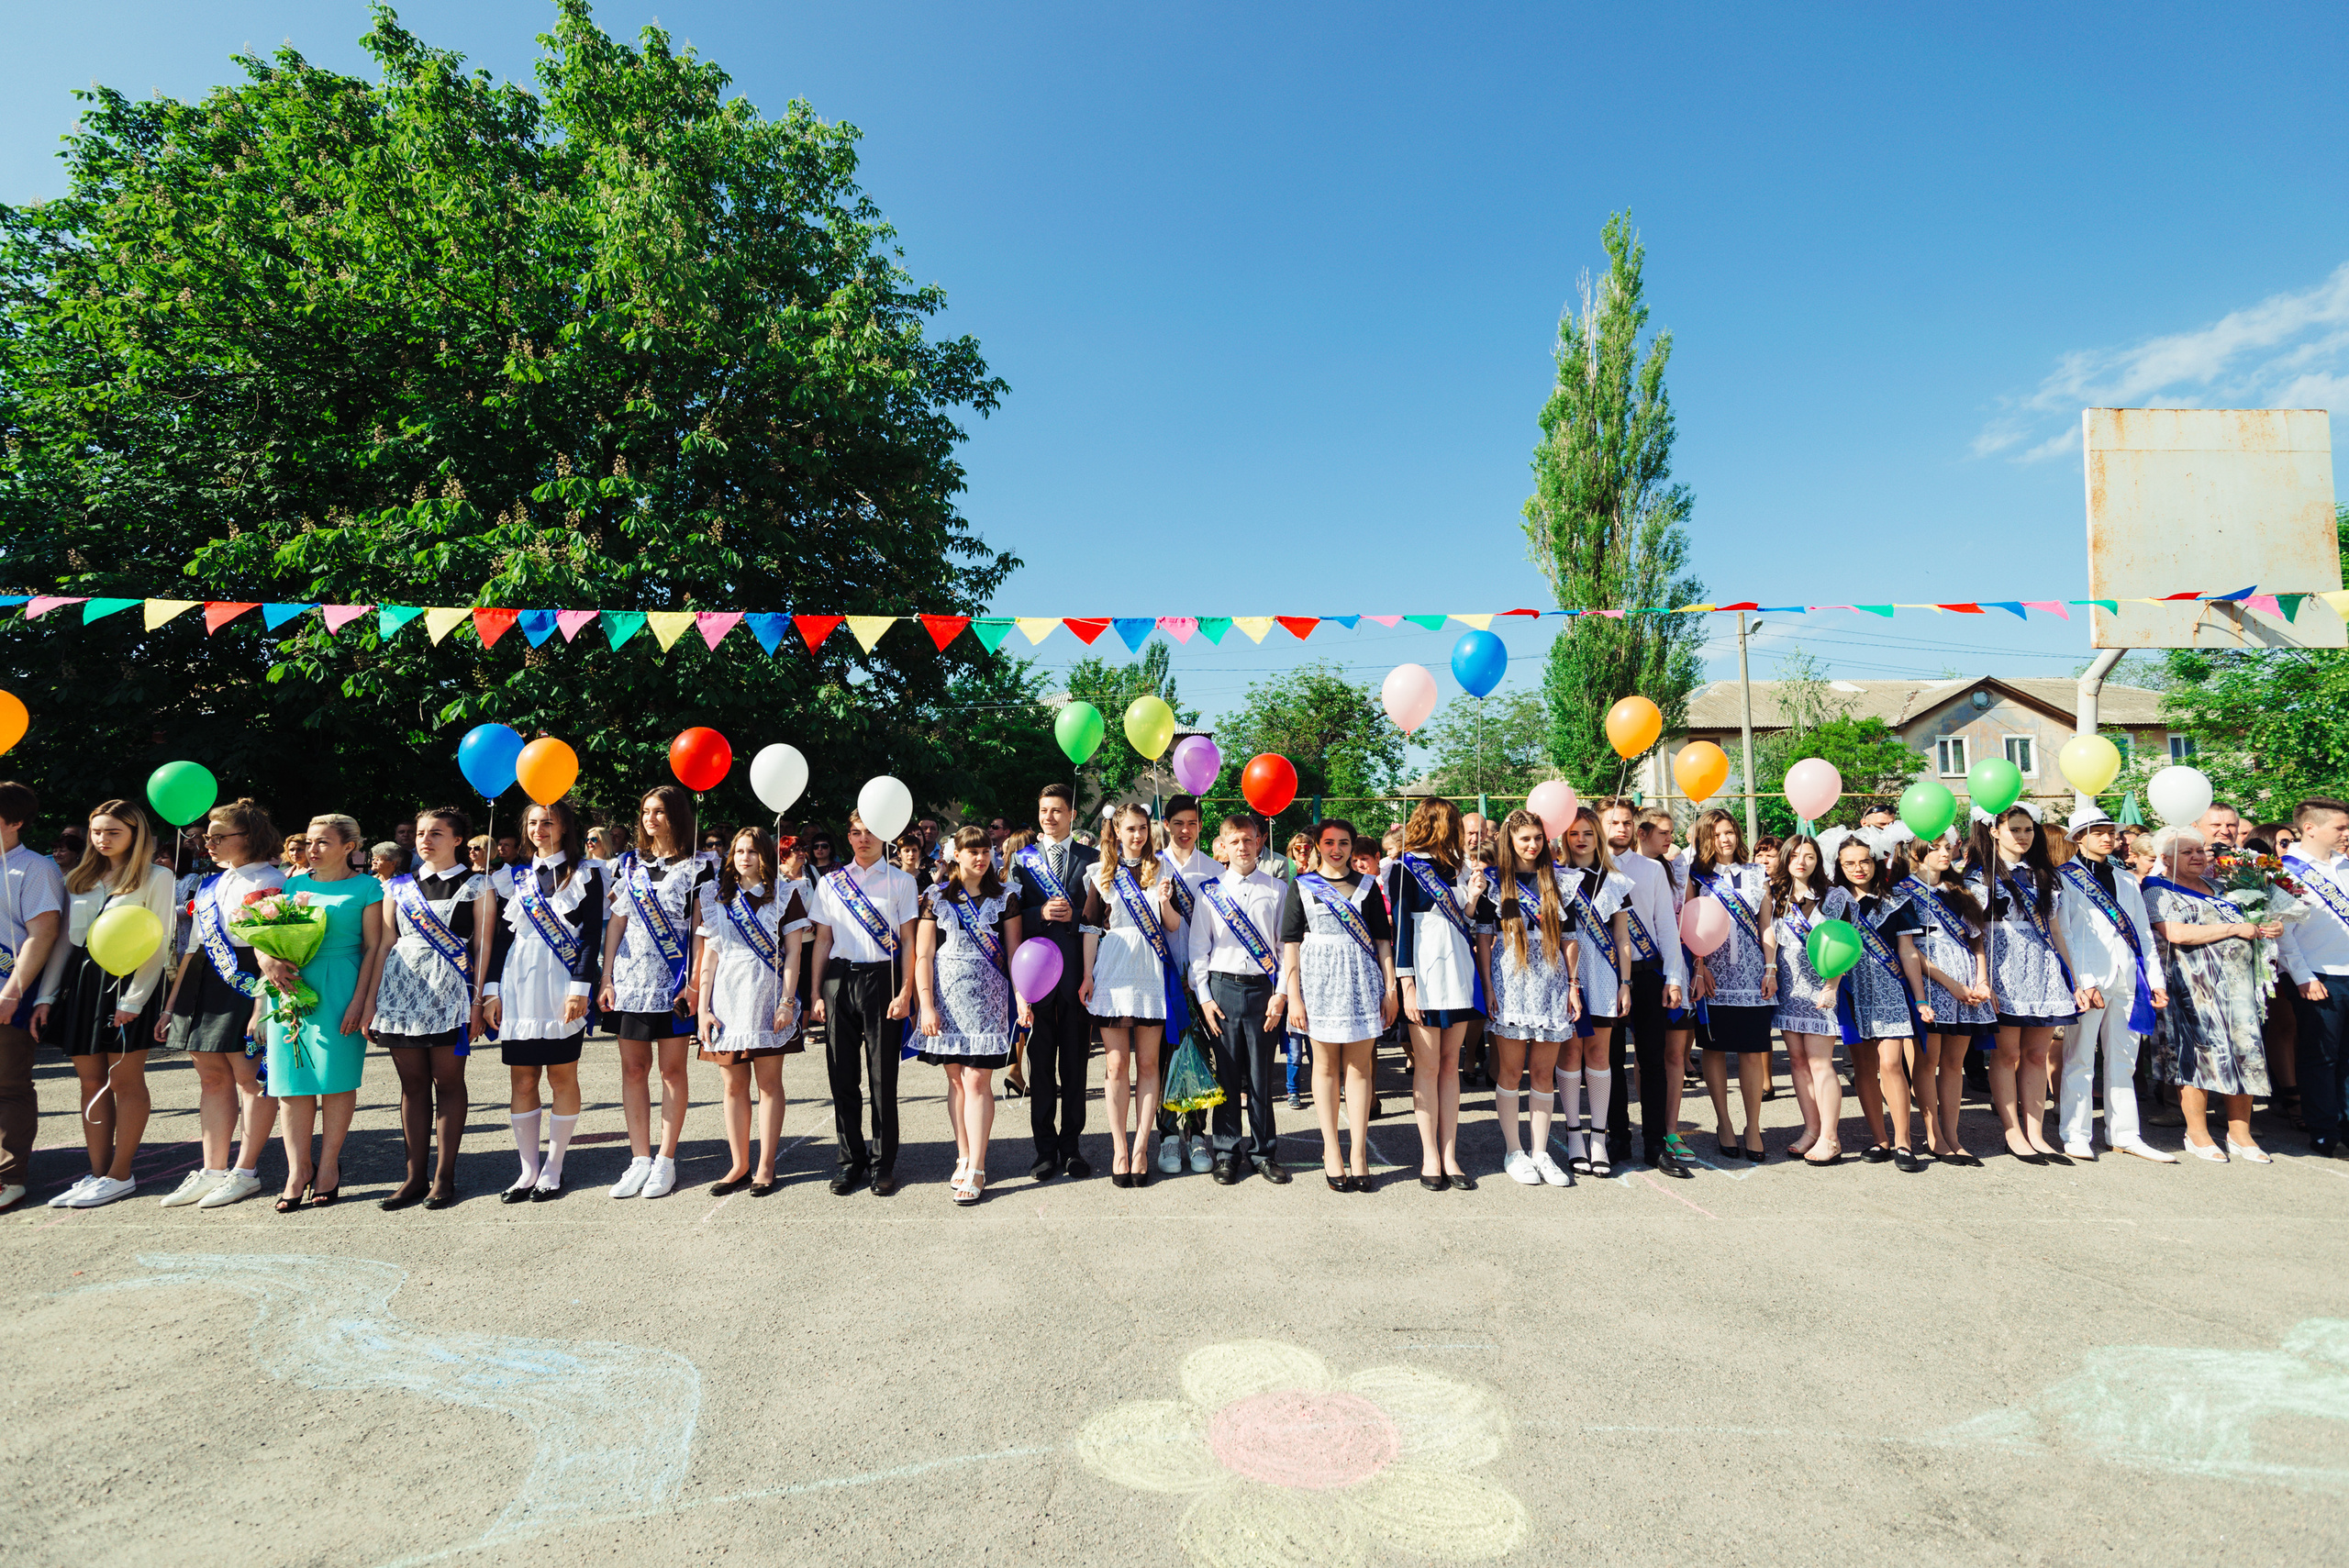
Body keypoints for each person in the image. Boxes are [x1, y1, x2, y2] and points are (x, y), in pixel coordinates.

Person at [33, 801, 176, 1207]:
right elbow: (64, 942)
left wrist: (134, 1000)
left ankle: (120, 1173)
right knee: (90, 1082)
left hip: (130, 983)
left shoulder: (157, 876)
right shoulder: (78, 877)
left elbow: (159, 941)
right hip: (83, 985)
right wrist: (47, 995)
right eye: (97, 832)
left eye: (113, 832)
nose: (102, 839)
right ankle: (97, 1173)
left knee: (125, 1081)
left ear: (135, 834)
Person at [154, 797, 282, 1209]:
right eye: (206, 836)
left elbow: (276, 947)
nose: (208, 843)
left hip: (247, 979)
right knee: (210, 1076)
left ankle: (245, 1171)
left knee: (249, 1078)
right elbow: (192, 946)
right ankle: (212, 1170)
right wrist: (172, 1004)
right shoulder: (210, 882)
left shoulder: (272, 880)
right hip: (203, 979)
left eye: (218, 836)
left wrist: (263, 1004)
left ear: (250, 836)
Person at [369, 806, 493, 1210]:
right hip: (401, 992)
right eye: (421, 832)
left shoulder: (478, 884)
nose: (425, 839)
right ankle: (413, 1177)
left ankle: (445, 1176)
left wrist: (478, 1001)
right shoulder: (398, 886)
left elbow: (482, 946)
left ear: (458, 840)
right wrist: (372, 1002)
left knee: (448, 1082)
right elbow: (385, 945)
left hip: (451, 994)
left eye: (437, 833)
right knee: (413, 1086)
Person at [483, 799, 607, 1203]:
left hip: (561, 984)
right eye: (533, 822)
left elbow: (590, 937)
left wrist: (580, 989)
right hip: (518, 982)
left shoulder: (587, 873)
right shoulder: (513, 879)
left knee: (561, 1076)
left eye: (548, 822)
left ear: (566, 827)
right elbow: (501, 939)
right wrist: (491, 991)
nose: (539, 829)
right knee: (522, 1078)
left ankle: (553, 1166)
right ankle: (527, 1169)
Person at [270, 815, 390, 1211]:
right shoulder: (291, 885)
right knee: (292, 1082)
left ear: (348, 847)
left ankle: (327, 1168)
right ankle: (296, 1170)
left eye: (322, 842)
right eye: (309, 841)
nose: (312, 849)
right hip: (292, 987)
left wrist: (361, 1001)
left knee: (336, 1080)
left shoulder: (367, 887)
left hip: (342, 983)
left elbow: (374, 947)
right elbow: (268, 938)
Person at [598, 786, 711, 1201]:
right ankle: (639, 1159)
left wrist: (694, 983)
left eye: (659, 812)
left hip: (673, 980)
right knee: (632, 1068)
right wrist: (606, 975)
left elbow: (701, 931)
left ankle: (666, 1160)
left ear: (677, 816)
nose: (651, 819)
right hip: (629, 979)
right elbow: (616, 922)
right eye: (645, 811)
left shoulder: (700, 868)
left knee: (671, 1070)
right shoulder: (627, 865)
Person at [2144, 827, 2277, 1162]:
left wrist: (2267, 926)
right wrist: (2234, 928)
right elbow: (2175, 932)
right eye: (2188, 852)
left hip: (2239, 990)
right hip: (2192, 989)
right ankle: (2198, 1133)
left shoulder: (2224, 888)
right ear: (2165, 858)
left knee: (2245, 1053)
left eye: (2201, 850)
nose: (2198, 856)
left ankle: (2240, 1134)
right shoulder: (2156, 889)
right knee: (2196, 1056)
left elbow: (2252, 925)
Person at [1969, 804, 2093, 1163]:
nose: (2023, 836)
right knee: (2007, 1054)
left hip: (2043, 969)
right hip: (2003, 967)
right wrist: (1982, 978)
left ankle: (2036, 1133)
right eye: (2015, 829)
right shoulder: (1978, 876)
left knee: (2037, 1054)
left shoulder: (2044, 875)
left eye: (2028, 830)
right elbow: (1974, 933)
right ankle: (2012, 1132)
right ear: (1994, 831)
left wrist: (2072, 980)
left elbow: (2057, 930)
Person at [807, 810, 920, 1196]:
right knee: (842, 1078)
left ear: (884, 835)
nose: (862, 839)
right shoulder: (831, 883)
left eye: (870, 832)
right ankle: (849, 1161)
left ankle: (882, 1164)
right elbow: (822, 941)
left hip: (883, 979)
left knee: (882, 1078)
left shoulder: (902, 881)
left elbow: (908, 943)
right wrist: (816, 993)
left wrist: (906, 992)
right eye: (855, 832)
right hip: (840, 979)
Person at [2054, 805, 2175, 1163]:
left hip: (2128, 981)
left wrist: (2154, 980)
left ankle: (2125, 1134)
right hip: (2090, 982)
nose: (2107, 837)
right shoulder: (2064, 877)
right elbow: (2068, 935)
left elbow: (2142, 934)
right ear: (2078, 837)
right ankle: (2075, 1134)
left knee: (2125, 1060)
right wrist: (2083, 981)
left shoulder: (2125, 879)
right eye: (2097, 831)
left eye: (2110, 831)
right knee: (2079, 1058)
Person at [1284, 817, 1397, 1191]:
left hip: (1362, 981)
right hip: (1318, 984)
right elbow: (1291, 945)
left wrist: (1390, 989)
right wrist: (1294, 996)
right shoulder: (1301, 886)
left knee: (1360, 1068)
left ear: (1352, 846)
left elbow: (1383, 942)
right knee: (1326, 1067)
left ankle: (1359, 1151)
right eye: (1329, 842)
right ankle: (1331, 1148)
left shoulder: (1368, 886)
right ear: (1317, 845)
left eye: (1344, 843)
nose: (1336, 849)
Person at [697, 827, 810, 1196]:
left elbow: (793, 953)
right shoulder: (716, 897)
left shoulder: (785, 894)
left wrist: (788, 1000)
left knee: (768, 1083)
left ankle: (765, 1165)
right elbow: (709, 958)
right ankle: (739, 1164)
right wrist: (703, 1009)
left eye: (753, 851)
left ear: (767, 857)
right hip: (727, 997)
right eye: (739, 850)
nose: (745, 857)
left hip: (767, 995)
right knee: (732, 1085)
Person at [914, 826, 1022, 1204]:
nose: (980, 858)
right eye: (972, 851)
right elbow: (923, 955)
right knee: (957, 1082)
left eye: (986, 851)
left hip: (988, 1002)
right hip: (947, 1001)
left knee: (978, 1081)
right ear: (955, 855)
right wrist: (925, 1003)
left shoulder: (1005, 897)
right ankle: (962, 1154)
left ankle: (977, 1166)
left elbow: (1014, 955)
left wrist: (1022, 1001)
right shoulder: (936, 897)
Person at [1080, 803, 1185, 1185]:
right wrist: (1086, 976)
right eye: (1130, 829)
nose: (1138, 836)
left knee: (1149, 1066)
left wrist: (1163, 900)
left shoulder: (1162, 870)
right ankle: (1119, 1148)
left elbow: (1172, 926)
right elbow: (1090, 929)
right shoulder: (1100, 874)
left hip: (1150, 974)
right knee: (1116, 1066)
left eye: (1143, 828)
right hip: (1112, 974)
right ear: (1117, 832)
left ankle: (1142, 1147)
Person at [1477, 808, 1579, 1185]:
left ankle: (1540, 1152)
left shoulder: (1558, 882)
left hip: (1551, 983)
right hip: (1509, 982)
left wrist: (1573, 985)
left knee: (1542, 1072)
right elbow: (1484, 939)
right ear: (1510, 841)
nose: (1533, 845)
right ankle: (1513, 1150)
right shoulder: (1493, 882)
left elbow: (1570, 938)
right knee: (1509, 1070)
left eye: (1538, 838)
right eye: (1525, 839)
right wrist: (1488, 987)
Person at [1189, 814, 1290, 1184]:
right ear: (1223, 845)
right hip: (1223, 990)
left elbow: (1284, 949)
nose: (1243, 847)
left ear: (1260, 841)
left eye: (1249, 840)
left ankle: (1263, 1153)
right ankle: (1227, 1152)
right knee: (1228, 1076)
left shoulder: (1278, 889)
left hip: (1264, 991)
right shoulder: (1210, 891)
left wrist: (1280, 996)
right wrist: (1205, 999)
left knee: (1262, 1077)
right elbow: (1199, 950)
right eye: (1235, 842)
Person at [1390, 798, 1485, 1190]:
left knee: (1451, 1065)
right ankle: (1430, 1154)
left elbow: (1464, 920)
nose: (1459, 832)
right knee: (1427, 1068)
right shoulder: (1403, 868)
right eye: (1452, 824)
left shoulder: (1460, 869)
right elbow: (1402, 932)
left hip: (1458, 975)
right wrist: (1407, 986)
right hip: (1425, 979)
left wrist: (1475, 894)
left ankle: (1450, 1154)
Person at [1007, 784, 1099, 1180]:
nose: (1049, 817)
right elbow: (1009, 917)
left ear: (1072, 814)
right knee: (1041, 1065)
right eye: (1044, 810)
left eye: (1057, 810)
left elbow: (1100, 915)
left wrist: (1073, 914)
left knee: (1076, 1065)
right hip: (1037, 977)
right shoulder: (1021, 861)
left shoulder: (1093, 859)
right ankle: (1044, 1149)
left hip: (1077, 976)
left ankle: (1072, 1146)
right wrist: (1041, 912)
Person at [1824, 828, 1928, 1171]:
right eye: (1850, 863)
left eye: (1865, 861)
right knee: (1864, 1068)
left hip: (1889, 989)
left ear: (1876, 862)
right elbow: (1831, 949)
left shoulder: (1897, 900)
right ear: (1839, 866)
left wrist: (1920, 997)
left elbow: (1908, 952)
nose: (1859, 869)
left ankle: (1903, 1142)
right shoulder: (1835, 903)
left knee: (1892, 1064)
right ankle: (1879, 1139)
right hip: (1852, 988)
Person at [1687, 808, 1777, 1159]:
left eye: (1729, 832)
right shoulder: (1697, 876)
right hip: (1712, 974)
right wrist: (1699, 965)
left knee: (1752, 1052)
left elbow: (1766, 924)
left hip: (1753, 974)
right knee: (1714, 1049)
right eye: (1716, 834)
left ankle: (1752, 1125)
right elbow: (1690, 924)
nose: (1724, 839)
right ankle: (1723, 1121)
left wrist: (1770, 968)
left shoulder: (1757, 874)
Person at [1900, 831, 1994, 1162]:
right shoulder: (1902, 892)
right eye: (1935, 847)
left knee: (1955, 1064)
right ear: (1916, 852)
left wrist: (1982, 979)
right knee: (1927, 1062)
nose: (1944, 852)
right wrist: (1949, 983)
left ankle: (1953, 1135)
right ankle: (1933, 1135)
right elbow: (1908, 948)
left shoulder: (1960, 891)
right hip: (1931, 983)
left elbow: (1977, 940)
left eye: (1947, 846)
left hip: (1968, 984)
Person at [1553, 806, 1634, 1177]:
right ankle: (1573, 1136)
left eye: (1587, 832)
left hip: (1603, 975)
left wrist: (1625, 983)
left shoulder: (1613, 880)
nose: (1581, 839)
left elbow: (1622, 937)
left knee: (1600, 1054)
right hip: (1564, 974)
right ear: (1564, 838)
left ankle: (1598, 1138)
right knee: (1570, 1053)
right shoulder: (1552, 878)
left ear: (1596, 836)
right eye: (1573, 833)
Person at [2278, 796, 2349, 1158]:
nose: (2346, 833)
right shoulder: (2286, 870)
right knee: (2321, 1057)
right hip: (2318, 974)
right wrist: (2303, 976)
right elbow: (2285, 931)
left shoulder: (2345, 865)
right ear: (2310, 828)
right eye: (2339, 827)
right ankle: (2324, 1131)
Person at [1152, 795, 1218, 1175]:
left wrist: (1201, 977)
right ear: (1165, 823)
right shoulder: (1151, 868)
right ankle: (1166, 1138)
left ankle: (1195, 1136)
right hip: (1160, 980)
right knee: (1162, 1060)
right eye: (1177, 822)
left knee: (1198, 1060)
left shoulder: (1212, 870)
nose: (1184, 830)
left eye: (1192, 823)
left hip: (1199, 982)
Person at [1769, 836, 1844, 1163]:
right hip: (1789, 987)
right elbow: (1769, 936)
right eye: (1796, 855)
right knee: (1798, 1062)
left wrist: (1832, 985)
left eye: (1810, 856)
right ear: (1786, 858)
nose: (1802, 861)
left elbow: (1844, 943)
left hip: (1821, 987)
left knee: (1820, 1062)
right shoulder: (1775, 895)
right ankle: (1811, 1130)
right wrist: (1770, 973)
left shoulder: (1834, 896)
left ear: (1819, 860)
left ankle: (1831, 1136)